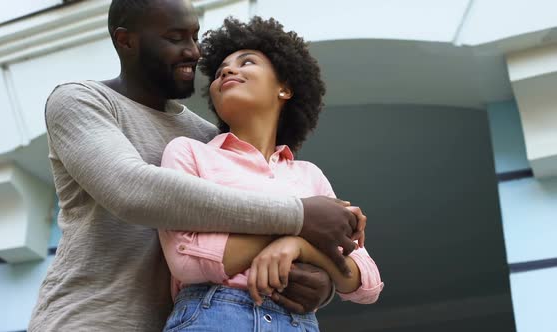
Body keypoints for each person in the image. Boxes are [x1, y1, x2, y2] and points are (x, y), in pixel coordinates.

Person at [28, 0, 367, 331]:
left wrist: (322, 283)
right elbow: (132, 190)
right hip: (89, 319)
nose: (194, 52)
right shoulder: (80, 101)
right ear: (126, 40)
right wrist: (300, 218)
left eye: (194, 36)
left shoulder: (207, 139)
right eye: (176, 38)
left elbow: (248, 232)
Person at [159, 17, 384, 332]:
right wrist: (297, 228)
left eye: (246, 62)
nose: (227, 70)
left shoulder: (310, 176)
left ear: (285, 89)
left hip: (297, 322)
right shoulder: (189, 153)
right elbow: (187, 263)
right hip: (212, 315)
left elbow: (366, 282)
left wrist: (298, 246)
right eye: (221, 68)